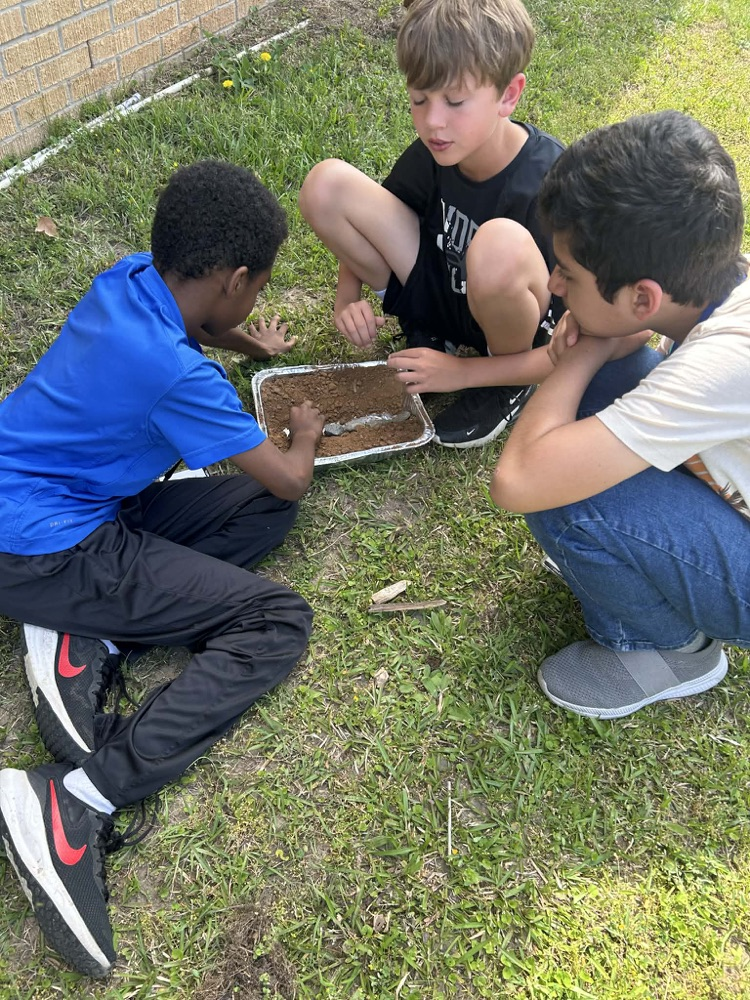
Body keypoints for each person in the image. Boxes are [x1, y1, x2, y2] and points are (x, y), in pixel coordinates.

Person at [0, 160, 325, 977]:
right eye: (257, 293)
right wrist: (307, 430)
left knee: (259, 513)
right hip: (43, 543)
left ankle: (88, 631)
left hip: (64, 500)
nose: (252, 306)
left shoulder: (132, 278)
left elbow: (205, 328)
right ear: (239, 277)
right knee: (278, 618)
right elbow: (287, 473)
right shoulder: (176, 378)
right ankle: (76, 802)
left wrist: (252, 341)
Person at [490, 110, 750, 719]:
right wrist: (605, 344)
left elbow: (519, 481)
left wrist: (586, 353)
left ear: (644, 298)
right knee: (592, 406)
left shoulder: (723, 364)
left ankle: (671, 650)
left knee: (566, 500)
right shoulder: (721, 288)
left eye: (570, 274)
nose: (554, 285)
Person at [298, 0, 565, 448]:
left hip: (509, 333)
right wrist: (348, 298)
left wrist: (464, 373)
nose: (433, 121)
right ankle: (432, 333)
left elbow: (570, 349)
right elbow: (379, 214)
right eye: (419, 99)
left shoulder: (549, 181)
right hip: (440, 294)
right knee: (326, 184)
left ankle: (502, 385)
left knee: (497, 244)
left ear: (508, 94)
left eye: (455, 101)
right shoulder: (437, 148)